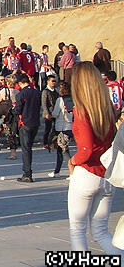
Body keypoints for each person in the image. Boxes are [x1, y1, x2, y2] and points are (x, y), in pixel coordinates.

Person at [67, 61, 121, 254]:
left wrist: (73, 161)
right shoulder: (107, 108)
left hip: (87, 172)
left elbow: (86, 149)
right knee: (101, 232)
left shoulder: (81, 111)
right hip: (106, 174)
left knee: (77, 230)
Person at [14, 73, 41, 183]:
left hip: (25, 123)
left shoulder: (21, 94)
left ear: (20, 83)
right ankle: (27, 172)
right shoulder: (36, 92)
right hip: (35, 122)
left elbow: (18, 110)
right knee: (29, 147)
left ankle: (27, 173)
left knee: (26, 149)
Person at [49, 81, 74, 178]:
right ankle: (57, 171)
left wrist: (51, 115)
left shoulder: (60, 100)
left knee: (64, 150)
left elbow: (55, 113)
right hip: (70, 126)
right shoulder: (72, 99)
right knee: (60, 149)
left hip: (62, 126)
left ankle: (72, 171)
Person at [41, 75, 59, 152]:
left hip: (55, 111)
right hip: (48, 112)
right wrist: (46, 113)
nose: (54, 83)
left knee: (55, 128)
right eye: (52, 81)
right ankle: (45, 143)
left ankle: (53, 142)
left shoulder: (56, 91)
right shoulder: (45, 91)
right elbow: (44, 103)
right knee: (47, 128)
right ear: (48, 81)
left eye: (55, 81)